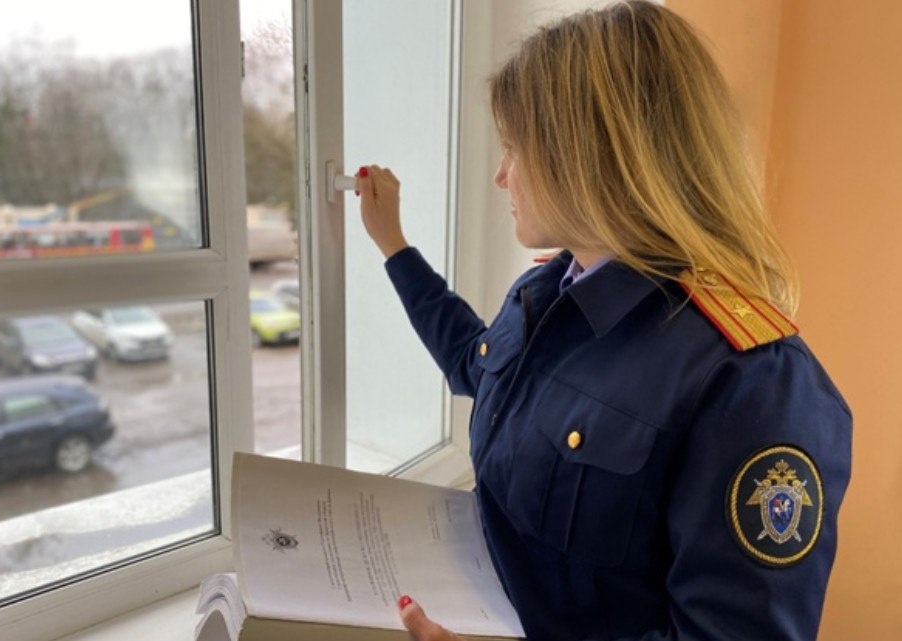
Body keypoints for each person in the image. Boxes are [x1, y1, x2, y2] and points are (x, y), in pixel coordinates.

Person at [356, 2, 851, 640]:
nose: (501, 176)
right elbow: (475, 364)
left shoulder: (753, 382)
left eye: (514, 149)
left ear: (589, 157)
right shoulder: (548, 289)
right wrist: (394, 246)